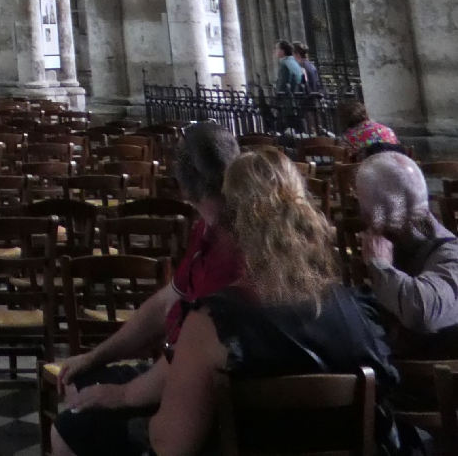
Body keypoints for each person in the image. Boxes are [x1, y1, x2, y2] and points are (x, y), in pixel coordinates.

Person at [145, 148, 399, 456]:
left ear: (232, 226)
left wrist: (149, 421)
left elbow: (172, 445)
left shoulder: (212, 321)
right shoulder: (358, 310)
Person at [54, 123, 244, 456]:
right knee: (82, 386)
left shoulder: (229, 253)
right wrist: (95, 356)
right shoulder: (212, 231)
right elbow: (165, 303)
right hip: (213, 378)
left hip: (215, 398)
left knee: (71, 424)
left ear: (182, 187)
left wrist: (121, 394)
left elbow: (191, 362)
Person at [356, 149, 458, 354]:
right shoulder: (395, 245)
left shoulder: (450, 253)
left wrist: (380, 266)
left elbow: (423, 312)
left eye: (362, 205)